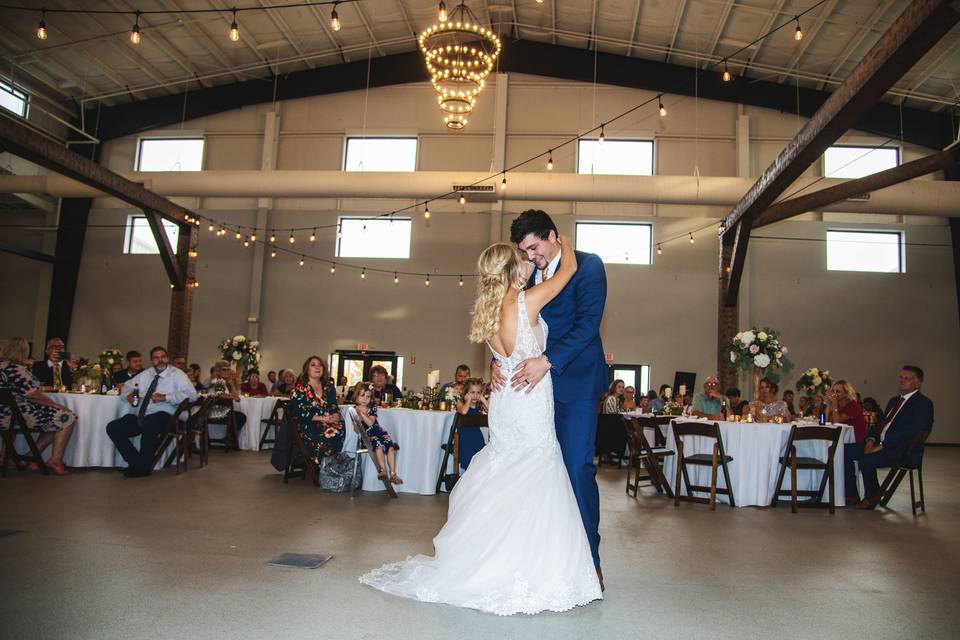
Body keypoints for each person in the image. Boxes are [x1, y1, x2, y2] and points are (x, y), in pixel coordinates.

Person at [361, 220, 604, 613]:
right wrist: (568, 245)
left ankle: (504, 558)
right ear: (511, 268)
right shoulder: (525, 300)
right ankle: (536, 565)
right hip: (528, 399)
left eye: (533, 250)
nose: (529, 259)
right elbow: (568, 272)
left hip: (514, 399)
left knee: (512, 473)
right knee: (537, 473)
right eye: (522, 255)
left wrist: (500, 360)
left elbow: (576, 325)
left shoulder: (492, 309)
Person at [844, 366, 934, 509]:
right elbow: (879, 424)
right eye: (901, 378)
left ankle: (871, 498)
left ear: (917, 383)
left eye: (907, 379)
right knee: (844, 451)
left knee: (866, 460)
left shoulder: (923, 404)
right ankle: (852, 494)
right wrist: (871, 440)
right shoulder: (894, 401)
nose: (902, 381)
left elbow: (912, 432)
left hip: (902, 450)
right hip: (881, 445)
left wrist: (882, 445)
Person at [106, 346, 197, 478]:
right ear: (151, 361)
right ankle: (136, 462)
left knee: (151, 421)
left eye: (162, 357)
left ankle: (141, 468)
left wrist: (166, 397)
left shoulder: (177, 375)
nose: (160, 360)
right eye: (156, 358)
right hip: (143, 415)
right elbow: (126, 386)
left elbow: (192, 395)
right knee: (113, 427)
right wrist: (127, 396)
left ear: (168, 359)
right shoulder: (146, 374)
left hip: (169, 416)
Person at [0, 337, 77, 475]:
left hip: (4, 413)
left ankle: (32, 455)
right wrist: (57, 405)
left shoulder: (3, 367)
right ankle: (55, 460)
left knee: (55, 418)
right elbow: (33, 395)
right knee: (67, 417)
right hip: (14, 415)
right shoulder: (17, 370)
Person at [288, 356, 343, 462]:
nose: (317, 367)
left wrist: (335, 415)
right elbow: (300, 413)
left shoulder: (328, 387)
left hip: (328, 424)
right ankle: (325, 466)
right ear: (307, 369)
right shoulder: (299, 389)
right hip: (308, 425)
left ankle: (334, 465)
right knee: (333, 433)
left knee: (345, 430)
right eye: (313, 365)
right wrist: (322, 418)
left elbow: (333, 406)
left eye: (320, 365)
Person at [353, 381, 402, 484]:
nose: (365, 399)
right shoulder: (353, 411)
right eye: (362, 395)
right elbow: (356, 429)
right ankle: (383, 470)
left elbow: (371, 423)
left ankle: (393, 473)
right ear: (356, 396)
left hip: (378, 432)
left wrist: (362, 413)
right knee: (378, 446)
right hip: (367, 437)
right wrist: (357, 423)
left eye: (368, 396)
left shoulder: (372, 408)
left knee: (390, 447)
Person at [454, 377, 489, 470]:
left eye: (478, 392)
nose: (475, 396)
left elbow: (492, 412)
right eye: (472, 392)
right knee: (469, 466)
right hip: (466, 441)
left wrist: (483, 399)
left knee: (480, 465)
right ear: (466, 393)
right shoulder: (460, 403)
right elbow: (464, 412)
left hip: (477, 439)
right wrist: (468, 400)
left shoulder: (479, 405)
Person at [206, 361, 247, 438]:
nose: (227, 372)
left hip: (223, 411)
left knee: (240, 416)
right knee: (241, 417)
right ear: (218, 371)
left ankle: (230, 438)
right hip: (216, 412)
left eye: (228, 370)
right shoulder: (217, 381)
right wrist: (232, 397)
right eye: (224, 370)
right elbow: (220, 394)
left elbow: (236, 395)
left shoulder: (224, 382)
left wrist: (231, 383)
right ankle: (229, 438)